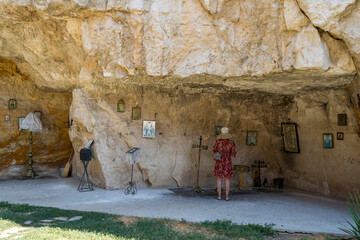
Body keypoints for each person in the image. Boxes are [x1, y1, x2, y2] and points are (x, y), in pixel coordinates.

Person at [213, 127, 236, 201]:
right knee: (227, 179)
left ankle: (219, 196)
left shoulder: (217, 142)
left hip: (219, 162)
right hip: (227, 162)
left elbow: (214, 150)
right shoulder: (231, 143)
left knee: (219, 179)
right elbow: (233, 154)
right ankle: (227, 197)